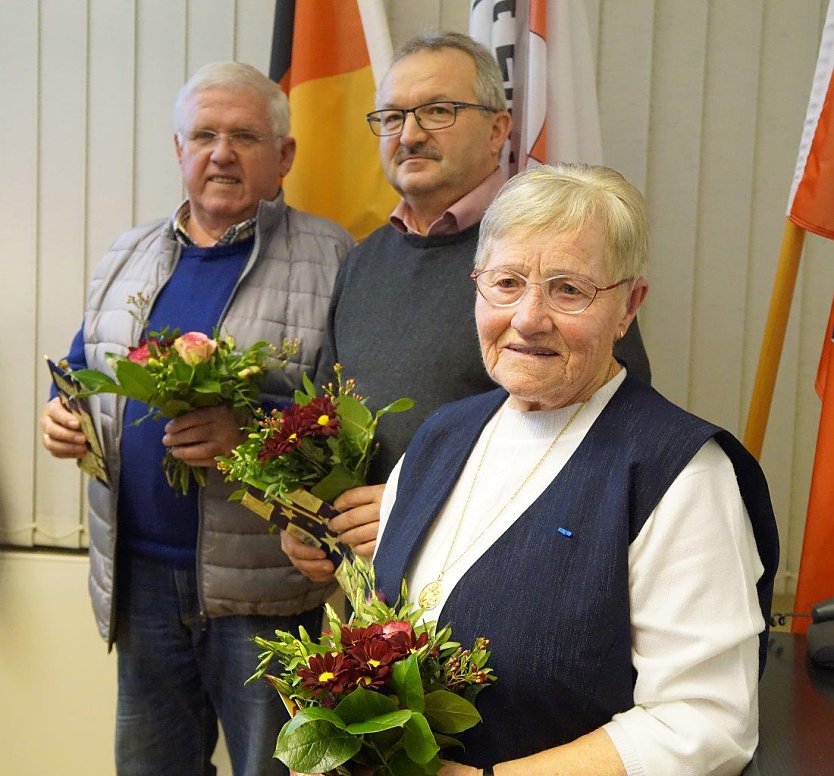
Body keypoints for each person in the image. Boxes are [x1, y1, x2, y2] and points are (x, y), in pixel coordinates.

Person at [372, 164, 779, 775]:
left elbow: (705, 724)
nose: (528, 318)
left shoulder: (680, 473)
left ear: (628, 306)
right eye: (507, 283)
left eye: (568, 290)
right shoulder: (438, 437)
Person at [39, 62, 354, 776]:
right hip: (139, 580)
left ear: (285, 155)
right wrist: (62, 415)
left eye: (245, 136)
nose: (222, 153)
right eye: (205, 136)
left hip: (263, 590)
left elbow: (349, 421)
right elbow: (83, 371)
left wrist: (250, 436)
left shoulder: (335, 258)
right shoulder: (127, 253)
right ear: (178, 149)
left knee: (274, 768)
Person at [284, 32, 651, 581]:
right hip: (370, 590)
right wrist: (308, 514)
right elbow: (323, 414)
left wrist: (420, 506)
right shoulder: (364, 259)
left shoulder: (557, 252)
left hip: (504, 583)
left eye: (438, 111)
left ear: (498, 129)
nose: (410, 134)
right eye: (392, 116)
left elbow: (613, 430)